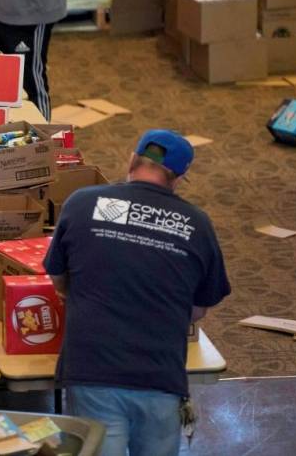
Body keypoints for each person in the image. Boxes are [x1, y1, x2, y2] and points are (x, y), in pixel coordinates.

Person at [44, 130, 231, 456]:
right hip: (160, 375)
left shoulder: (82, 203)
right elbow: (199, 309)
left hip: (93, 369)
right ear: (178, 178)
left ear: (132, 159)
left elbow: (58, 278)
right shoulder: (198, 224)